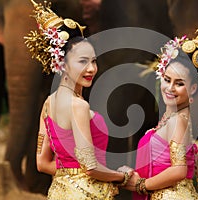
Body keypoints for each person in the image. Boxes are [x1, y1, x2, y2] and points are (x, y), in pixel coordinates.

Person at [24, 0, 133, 199]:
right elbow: (90, 167)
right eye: (82, 61)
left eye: (93, 61)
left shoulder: (49, 104)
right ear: (62, 64)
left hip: (60, 192)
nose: (91, 69)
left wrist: (70, 175)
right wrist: (122, 177)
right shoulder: (78, 106)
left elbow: (42, 163)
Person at [121, 21, 198, 200]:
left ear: (192, 89)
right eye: (167, 80)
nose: (170, 88)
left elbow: (178, 170)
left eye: (179, 83)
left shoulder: (178, 121)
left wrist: (140, 184)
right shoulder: (173, 116)